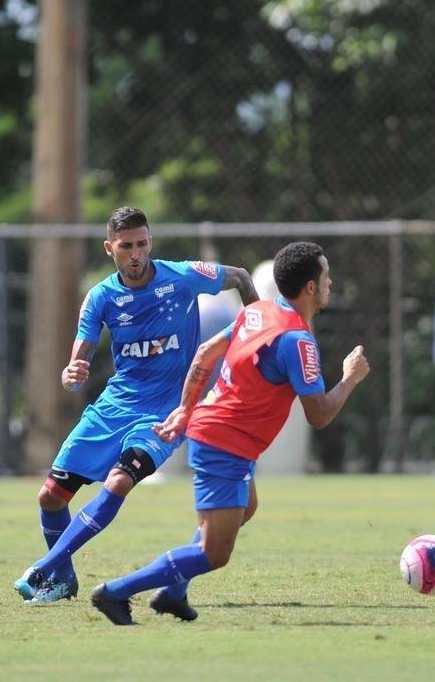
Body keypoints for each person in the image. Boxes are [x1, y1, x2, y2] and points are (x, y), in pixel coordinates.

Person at [89, 241, 370, 626]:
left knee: (246, 508)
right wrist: (350, 379)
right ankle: (116, 591)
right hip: (225, 444)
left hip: (220, 435)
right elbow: (319, 415)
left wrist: (186, 408)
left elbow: (205, 352)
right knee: (214, 553)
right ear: (310, 287)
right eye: (326, 276)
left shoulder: (258, 313)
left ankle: (173, 592)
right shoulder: (298, 342)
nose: (331, 283)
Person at [13, 206, 259, 605]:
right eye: (126, 246)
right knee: (50, 497)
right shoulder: (101, 296)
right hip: (114, 405)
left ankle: (44, 566)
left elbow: (242, 278)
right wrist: (72, 369)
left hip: (165, 409)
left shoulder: (182, 276)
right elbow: (82, 350)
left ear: (150, 242)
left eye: (142, 244)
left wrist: (256, 332)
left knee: (119, 481)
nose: (136, 254)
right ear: (109, 248)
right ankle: (61, 579)